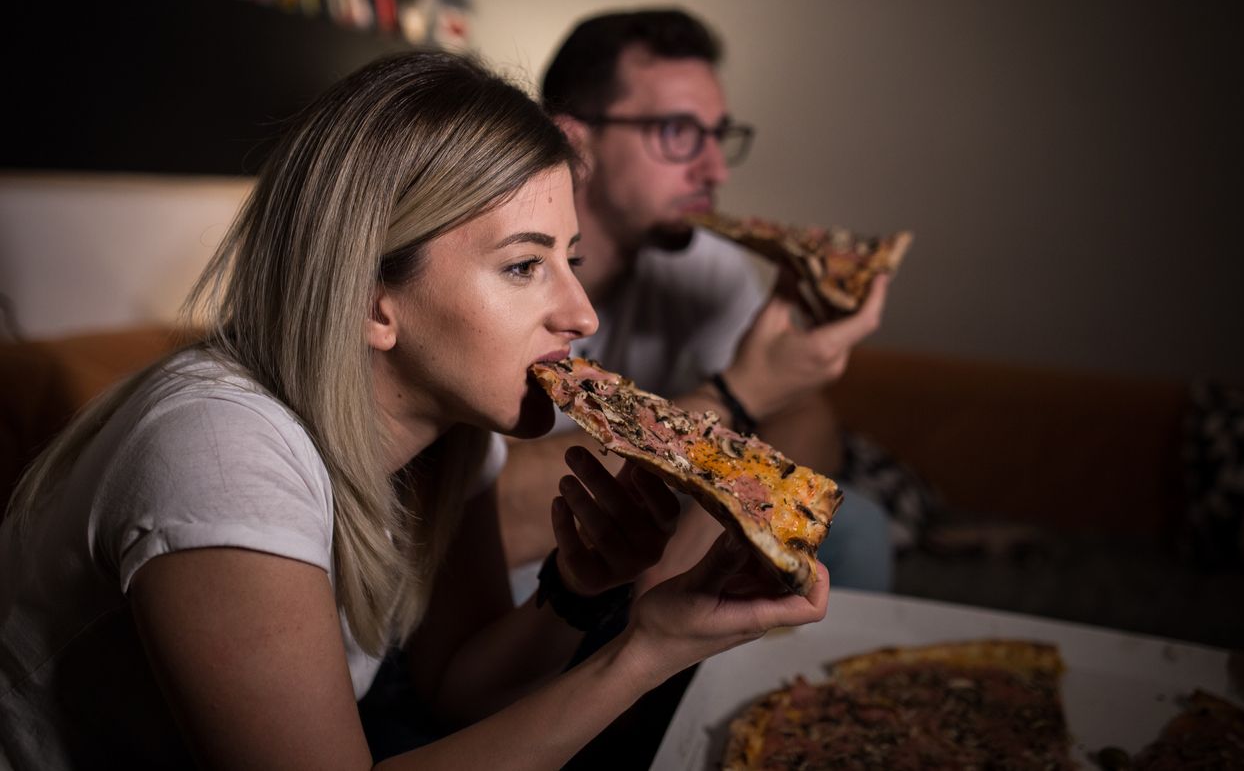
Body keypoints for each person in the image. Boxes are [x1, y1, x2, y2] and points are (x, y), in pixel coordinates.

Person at [0, 51, 829, 770]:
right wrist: (650, 651)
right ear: (373, 299)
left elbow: (457, 687)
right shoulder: (220, 452)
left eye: (568, 261)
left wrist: (578, 594)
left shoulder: (452, 430)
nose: (583, 317)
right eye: (522, 267)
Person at [498, 8, 894, 600]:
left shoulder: (700, 261)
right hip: (519, 598)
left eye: (717, 136)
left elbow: (806, 419)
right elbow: (487, 514)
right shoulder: (493, 268)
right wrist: (739, 394)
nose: (713, 169)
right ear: (575, 142)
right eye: (678, 133)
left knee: (857, 524)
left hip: (637, 568)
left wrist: (682, 561)